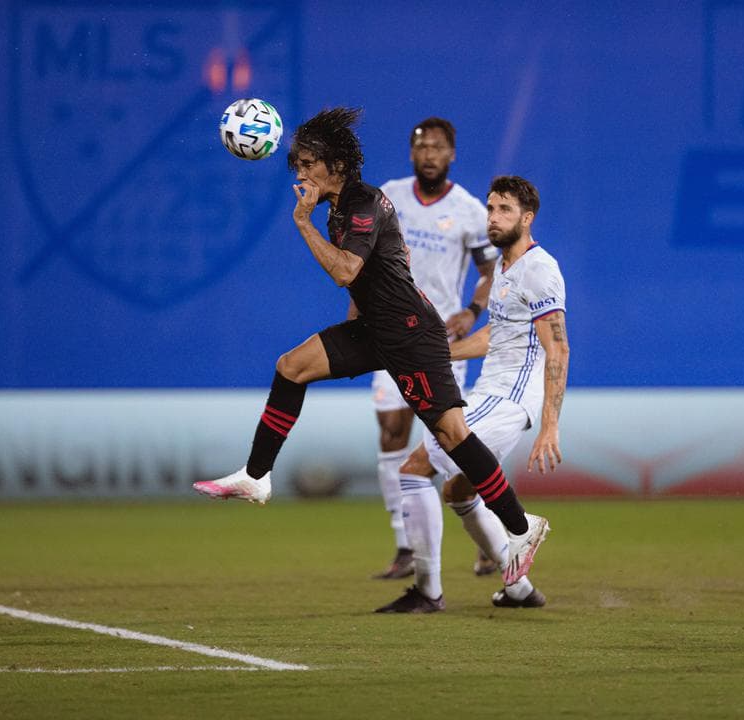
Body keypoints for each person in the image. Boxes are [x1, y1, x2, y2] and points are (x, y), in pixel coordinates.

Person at [192, 109, 549, 602]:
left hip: (410, 335)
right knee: (291, 367)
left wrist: (301, 223)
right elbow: (360, 281)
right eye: (296, 163)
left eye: (308, 163)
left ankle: (520, 524)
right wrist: (352, 319)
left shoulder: (364, 203)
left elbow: (345, 269)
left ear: (335, 165)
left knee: (452, 434)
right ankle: (256, 477)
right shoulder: (340, 207)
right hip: (374, 329)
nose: (299, 173)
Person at [376, 175, 568, 613]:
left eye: (504, 210)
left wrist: (550, 427)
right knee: (460, 492)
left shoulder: (540, 269)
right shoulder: (504, 267)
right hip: (488, 392)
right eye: (490, 209)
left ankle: (427, 592)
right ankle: (518, 588)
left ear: (527, 217)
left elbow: (558, 346)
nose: (493, 218)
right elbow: (494, 339)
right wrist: (434, 352)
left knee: (414, 469)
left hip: (510, 400)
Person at [371, 117, 499, 580]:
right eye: (422, 146)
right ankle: (405, 544)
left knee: (448, 443)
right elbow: (364, 255)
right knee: (391, 428)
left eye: (439, 147)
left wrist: (472, 310)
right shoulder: (389, 197)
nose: (429, 154)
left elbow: (489, 270)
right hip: (388, 332)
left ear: (452, 154)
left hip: (440, 340)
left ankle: (488, 536)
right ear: (411, 153)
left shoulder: (467, 209)